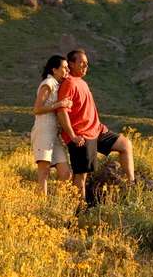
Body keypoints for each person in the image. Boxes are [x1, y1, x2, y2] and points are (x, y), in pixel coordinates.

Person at [56, 48, 135, 201]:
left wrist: (98, 123)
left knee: (125, 144)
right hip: (81, 135)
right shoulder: (69, 84)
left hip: (96, 130)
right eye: (82, 63)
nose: (86, 66)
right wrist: (72, 136)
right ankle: (79, 209)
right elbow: (61, 111)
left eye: (87, 63)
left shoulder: (82, 83)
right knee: (81, 174)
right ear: (71, 64)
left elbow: (86, 108)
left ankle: (132, 184)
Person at [31, 55, 73, 195]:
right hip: (44, 129)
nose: (68, 70)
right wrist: (60, 105)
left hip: (54, 133)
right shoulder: (48, 83)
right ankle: (41, 206)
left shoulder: (59, 84)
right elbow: (37, 109)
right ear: (55, 70)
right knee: (44, 172)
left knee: (66, 173)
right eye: (64, 67)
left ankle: (62, 205)